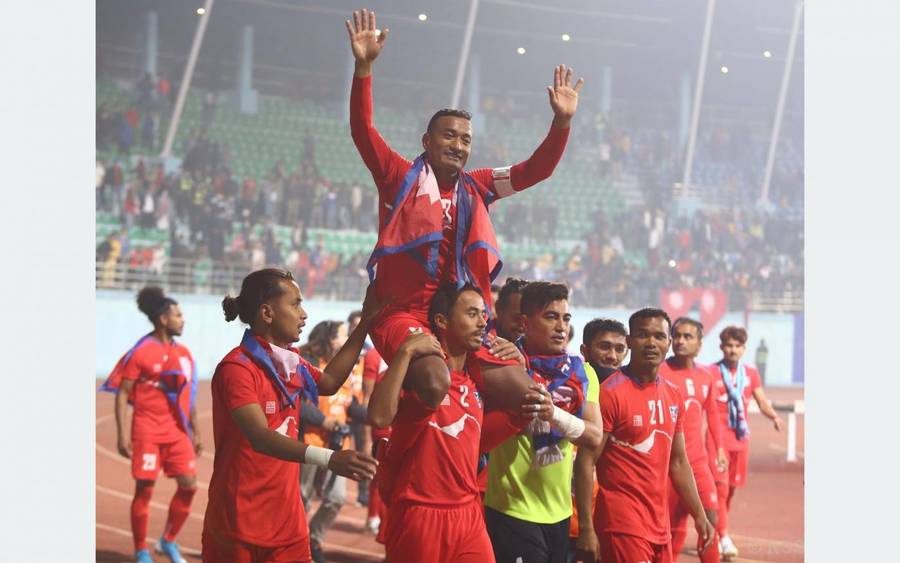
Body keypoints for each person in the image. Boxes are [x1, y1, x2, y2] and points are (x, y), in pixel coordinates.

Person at [345, 9, 584, 417]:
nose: (458, 145)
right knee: (435, 381)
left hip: (462, 317)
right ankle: (400, 433)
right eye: (449, 136)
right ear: (427, 140)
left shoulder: (479, 185)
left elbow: (536, 170)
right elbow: (363, 131)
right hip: (402, 314)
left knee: (528, 396)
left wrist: (561, 123)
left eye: (466, 140)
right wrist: (364, 69)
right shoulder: (398, 177)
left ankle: (470, 448)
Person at [201, 268, 378, 562]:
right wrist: (330, 458)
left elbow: (329, 382)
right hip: (239, 524)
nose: (303, 314)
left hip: (288, 524)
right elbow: (260, 437)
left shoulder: (291, 362)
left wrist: (366, 322)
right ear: (267, 313)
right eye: (295, 304)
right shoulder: (237, 368)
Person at [369, 283, 541, 563]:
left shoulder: (475, 385)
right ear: (442, 321)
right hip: (419, 511)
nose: (482, 322)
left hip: (468, 513)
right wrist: (404, 353)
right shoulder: (422, 380)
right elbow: (378, 417)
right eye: (472, 314)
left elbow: (478, 441)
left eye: (484, 315)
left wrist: (519, 368)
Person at [484, 281, 604, 563]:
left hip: (560, 513)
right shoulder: (505, 364)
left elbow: (594, 436)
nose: (561, 327)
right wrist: (522, 373)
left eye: (566, 318)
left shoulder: (582, 373)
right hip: (511, 508)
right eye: (551, 317)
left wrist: (554, 414)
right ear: (525, 322)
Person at [589, 308, 715, 563]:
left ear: (668, 343)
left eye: (659, 336)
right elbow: (586, 461)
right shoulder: (610, 393)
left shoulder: (673, 394)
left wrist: (699, 515)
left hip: (659, 524)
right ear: (629, 341)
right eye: (643, 335)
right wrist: (586, 528)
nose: (651, 342)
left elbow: (678, 462)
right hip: (621, 523)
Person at [100, 287, 201, 563]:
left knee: (189, 485)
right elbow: (123, 393)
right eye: (178, 315)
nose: (182, 319)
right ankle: (141, 550)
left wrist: (195, 431)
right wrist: (122, 435)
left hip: (177, 432)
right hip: (147, 431)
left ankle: (168, 541)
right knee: (145, 489)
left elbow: (188, 395)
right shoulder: (141, 353)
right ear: (163, 319)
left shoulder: (185, 354)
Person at [709, 326, 783, 561]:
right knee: (720, 489)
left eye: (737, 346)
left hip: (740, 440)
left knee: (730, 491)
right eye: (729, 346)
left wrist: (774, 416)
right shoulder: (711, 372)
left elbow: (761, 401)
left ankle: (718, 529)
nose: (733, 350)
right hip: (717, 442)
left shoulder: (750, 373)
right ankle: (723, 536)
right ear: (722, 347)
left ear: (743, 349)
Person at [658, 318, 727, 562]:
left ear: (699, 344)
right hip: (668, 465)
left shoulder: (707, 376)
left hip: (698, 464)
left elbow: (713, 414)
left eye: (687, 337)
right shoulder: (659, 372)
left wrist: (720, 449)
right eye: (676, 335)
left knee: (711, 518)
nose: (680, 341)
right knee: (670, 526)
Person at [572, 317, 628, 561]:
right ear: (585, 350)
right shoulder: (569, 387)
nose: (612, 356)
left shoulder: (627, 395)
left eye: (619, 349)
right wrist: (586, 527)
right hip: (567, 519)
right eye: (604, 347)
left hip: (608, 520)